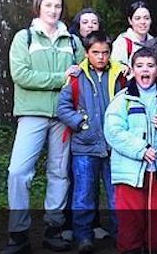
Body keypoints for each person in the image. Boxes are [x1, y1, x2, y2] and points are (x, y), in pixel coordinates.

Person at [3, 0, 85, 254]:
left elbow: (83, 74)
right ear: (38, 6)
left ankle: (53, 229)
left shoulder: (72, 42)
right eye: (48, 5)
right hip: (32, 114)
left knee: (59, 173)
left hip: (63, 116)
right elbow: (21, 75)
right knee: (18, 171)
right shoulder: (24, 38)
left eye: (58, 5)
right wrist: (60, 80)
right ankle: (18, 234)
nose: (53, 10)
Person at [104, 47, 157, 254]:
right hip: (129, 173)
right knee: (131, 222)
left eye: (150, 66)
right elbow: (113, 131)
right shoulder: (123, 99)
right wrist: (141, 149)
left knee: (156, 221)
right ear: (132, 70)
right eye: (140, 66)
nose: (145, 70)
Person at [57, 31, 124, 253]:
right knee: (84, 194)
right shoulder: (76, 77)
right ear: (87, 53)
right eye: (96, 52)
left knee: (116, 195)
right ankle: (83, 236)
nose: (101, 57)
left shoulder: (119, 75)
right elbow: (63, 107)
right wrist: (80, 123)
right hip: (85, 145)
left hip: (113, 146)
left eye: (105, 52)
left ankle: (121, 234)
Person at [111, 0, 153, 66]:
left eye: (146, 18)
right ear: (130, 21)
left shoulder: (154, 43)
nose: (142, 22)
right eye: (137, 18)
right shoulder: (122, 43)